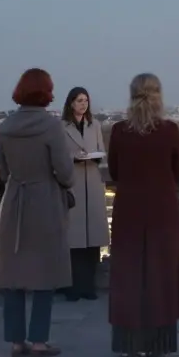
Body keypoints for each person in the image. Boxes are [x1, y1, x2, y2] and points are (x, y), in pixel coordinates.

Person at [107, 73, 179, 357]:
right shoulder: (169, 130)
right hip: (162, 212)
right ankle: (156, 346)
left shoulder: (119, 131)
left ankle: (130, 347)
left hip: (129, 211)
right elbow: (178, 171)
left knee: (129, 278)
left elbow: (115, 172)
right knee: (160, 277)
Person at [0, 68, 75, 357]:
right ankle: (38, 341)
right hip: (45, 201)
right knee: (45, 272)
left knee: (13, 274)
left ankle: (16, 341)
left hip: (16, 200)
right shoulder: (51, 126)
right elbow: (65, 172)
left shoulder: (4, 126)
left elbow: (4, 171)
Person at [61, 86, 108, 301]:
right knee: (74, 241)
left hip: (93, 183)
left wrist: (95, 156)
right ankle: (73, 286)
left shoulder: (95, 125)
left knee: (92, 241)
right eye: (79, 100)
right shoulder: (61, 127)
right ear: (71, 103)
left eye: (85, 100)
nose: (83, 104)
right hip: (74, 184)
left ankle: (89, 286)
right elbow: (59, 157)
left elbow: (101, 152)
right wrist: (74, 157)